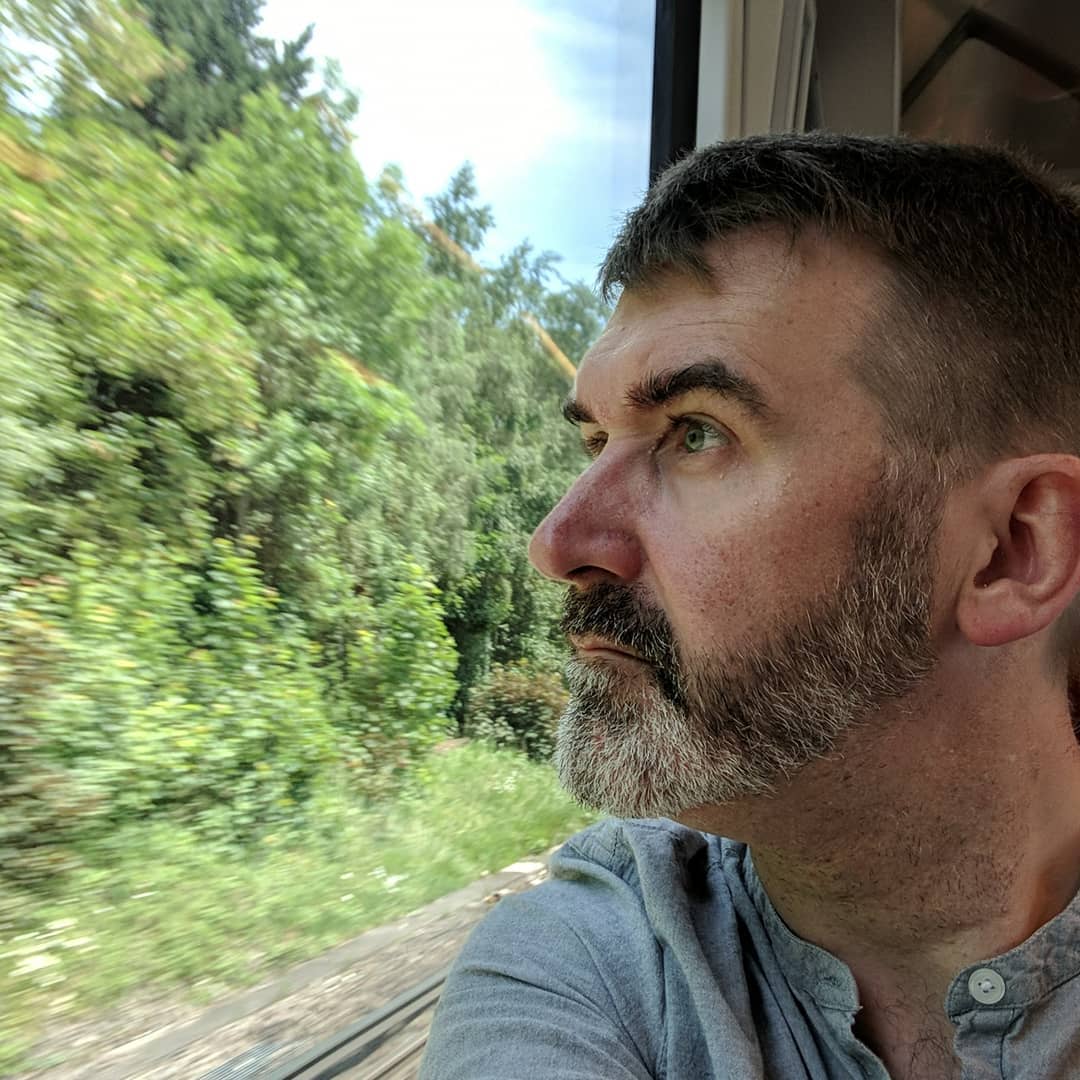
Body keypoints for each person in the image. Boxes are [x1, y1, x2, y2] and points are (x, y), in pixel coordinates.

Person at [417, 133, 1080, 1080]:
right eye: (596, 442)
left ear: (1013, 548)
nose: (557, 544)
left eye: (695, 433)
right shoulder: (588, 971)